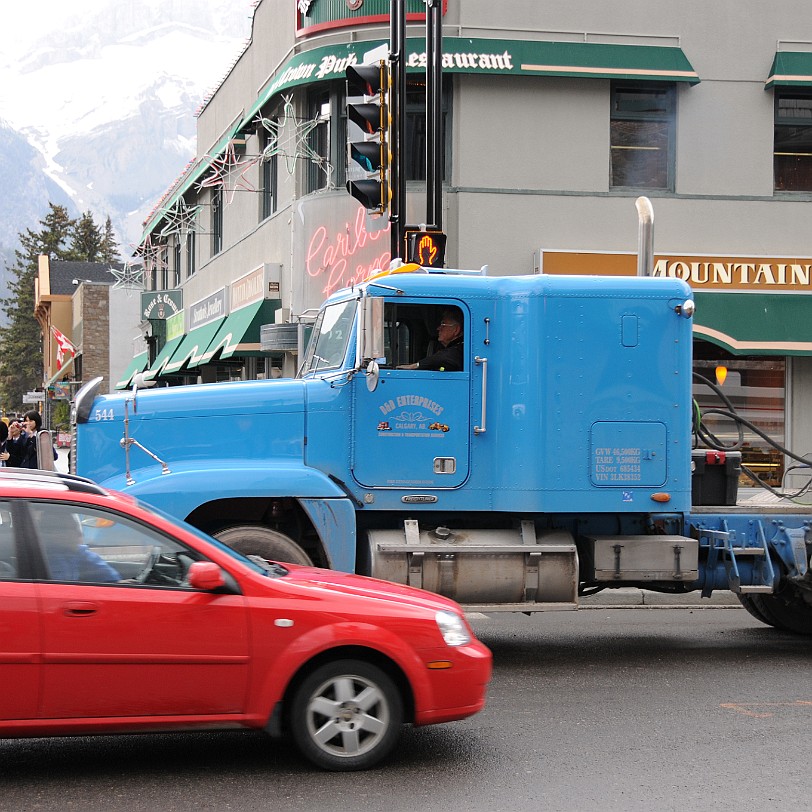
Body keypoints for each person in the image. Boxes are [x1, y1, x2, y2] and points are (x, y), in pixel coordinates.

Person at [36, 509, 121, 583]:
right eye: (69, 529)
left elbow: (110, 577)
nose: (78, 535)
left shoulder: (79, 554)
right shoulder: (47, 557)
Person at [398, 307, 464, 371]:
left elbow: (444, 358)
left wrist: (416, 365)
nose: (438, 328)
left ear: (456, 330)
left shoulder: (461, 349)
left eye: (443, 324)